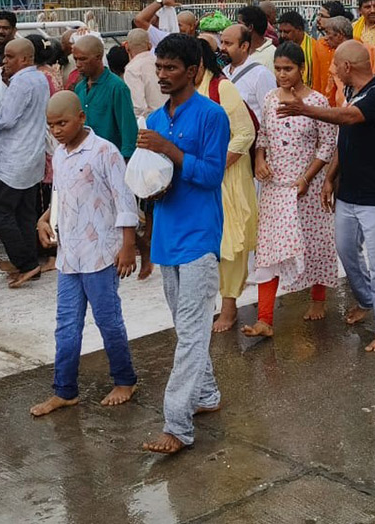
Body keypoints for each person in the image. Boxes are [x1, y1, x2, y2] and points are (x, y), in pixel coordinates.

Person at [137, 34, 231, 454]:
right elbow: (154, 177)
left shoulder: (212, 115)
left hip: (199, 236)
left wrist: (169, 151)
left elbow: (212, 175)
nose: (162, 75)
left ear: (192, 71)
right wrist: (148, 190)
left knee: (192, 332)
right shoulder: (156, 119)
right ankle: (207, 395)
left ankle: (177, 425)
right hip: (166, 236)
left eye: (171, 68)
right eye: (159, 67)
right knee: (186, 327)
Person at [278, 40, 375, 353]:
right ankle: (366, 300)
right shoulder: (351, 92)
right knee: (347, 252)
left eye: (336, 65)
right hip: (350, 192)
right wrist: (330, 178)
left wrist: (306, 110)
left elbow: (349, 119)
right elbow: (344, 141)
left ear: (348, 67)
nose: (332, 70)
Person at [30, 91, 139, 417]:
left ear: (81, 118)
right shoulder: (60, 155)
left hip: (101, 254)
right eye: (51, 125)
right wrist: (44, 219)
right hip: (69, 255)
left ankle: (125, 379)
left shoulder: (105, 152)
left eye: (62, 122)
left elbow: (125, 200)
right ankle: (64, 390)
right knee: (66, 325)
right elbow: (60, 194)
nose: (57, 130)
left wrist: (128, 247)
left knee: (108, 320)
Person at [242, 41, 337, 339]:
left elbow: (328, 144)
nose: (282, 75)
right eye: (278, 69)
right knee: (269, 251)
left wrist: (308, 179)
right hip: (275, 186)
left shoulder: (318, 102)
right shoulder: (270, 99)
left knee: (313, 242)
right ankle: (265, 319)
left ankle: (318, 298)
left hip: (306, 186)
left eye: (288, 69)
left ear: (302, 69)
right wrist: (259, 160)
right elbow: (264, 136)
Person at [193, 36, 258, 333]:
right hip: (197, 179)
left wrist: (214, 167)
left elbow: (244, 134)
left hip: (227, 177)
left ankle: (229, 306)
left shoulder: (223, 88)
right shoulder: (184, 93)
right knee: (205, 243)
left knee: (229, 244)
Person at [0, 38, 50, 288]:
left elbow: (6, 119)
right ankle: (27, 262)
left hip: (13, 158)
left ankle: (27, 264)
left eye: (10, 57)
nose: (4, 61)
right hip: (31, 156)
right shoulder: (40, 78)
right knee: (24, 212)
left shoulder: (21, 81)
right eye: (4, 56)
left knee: (2, 212)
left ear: (26, 59)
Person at [71, 34, 137, 159]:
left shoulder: (117, 87)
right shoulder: (80, 88)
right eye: (76, 60)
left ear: (98, 58)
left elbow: (128, 129)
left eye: (83, 59)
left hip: (111, 159)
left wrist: (125, 160)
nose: (78, 64)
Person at [220, 23, 277, 121]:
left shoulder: (261, 74)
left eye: (228, 43)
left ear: (244, 46)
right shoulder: (223, 72)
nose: (222, 48)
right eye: (222, 42)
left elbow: (271, 114)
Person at [277, 10, 333, 99]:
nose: (282, 35)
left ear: (299, 30)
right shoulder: (281, 49)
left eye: (287, 32)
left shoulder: (315, 48)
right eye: (280, 31)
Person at [122, 28, 165, 119]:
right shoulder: (161, 63)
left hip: (151, 122)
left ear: (127, 47)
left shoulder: (132, 69)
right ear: (149, 46)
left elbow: (138, 106)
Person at [133, 0, 198, 47]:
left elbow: (139, 20)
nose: (178, 28)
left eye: (180, 25)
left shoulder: (166, 39)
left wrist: (161, 1)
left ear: (192, 26)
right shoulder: (198, 44)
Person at [236, 5, 277, 73]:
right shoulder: (240, 50)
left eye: (239, 24)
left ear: (250, 27)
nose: (236, 28)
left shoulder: (271, 55)